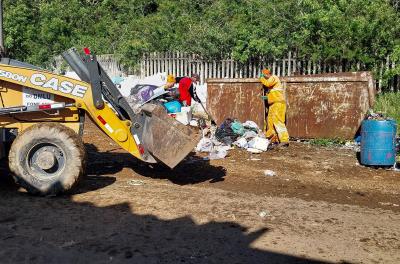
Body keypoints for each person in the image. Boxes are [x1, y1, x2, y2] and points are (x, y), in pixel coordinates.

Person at [259, 69, 289, 148]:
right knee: (271, 122)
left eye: (264, 75)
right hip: (273, 104)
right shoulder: (272, 81)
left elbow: (268, 84)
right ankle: (274, 139)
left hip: (278, 104)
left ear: (266, 74)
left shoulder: (273, 77)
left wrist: (261, 78)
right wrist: (267, 97)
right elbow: (273, 92)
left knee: (278, 121)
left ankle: (284, 140)